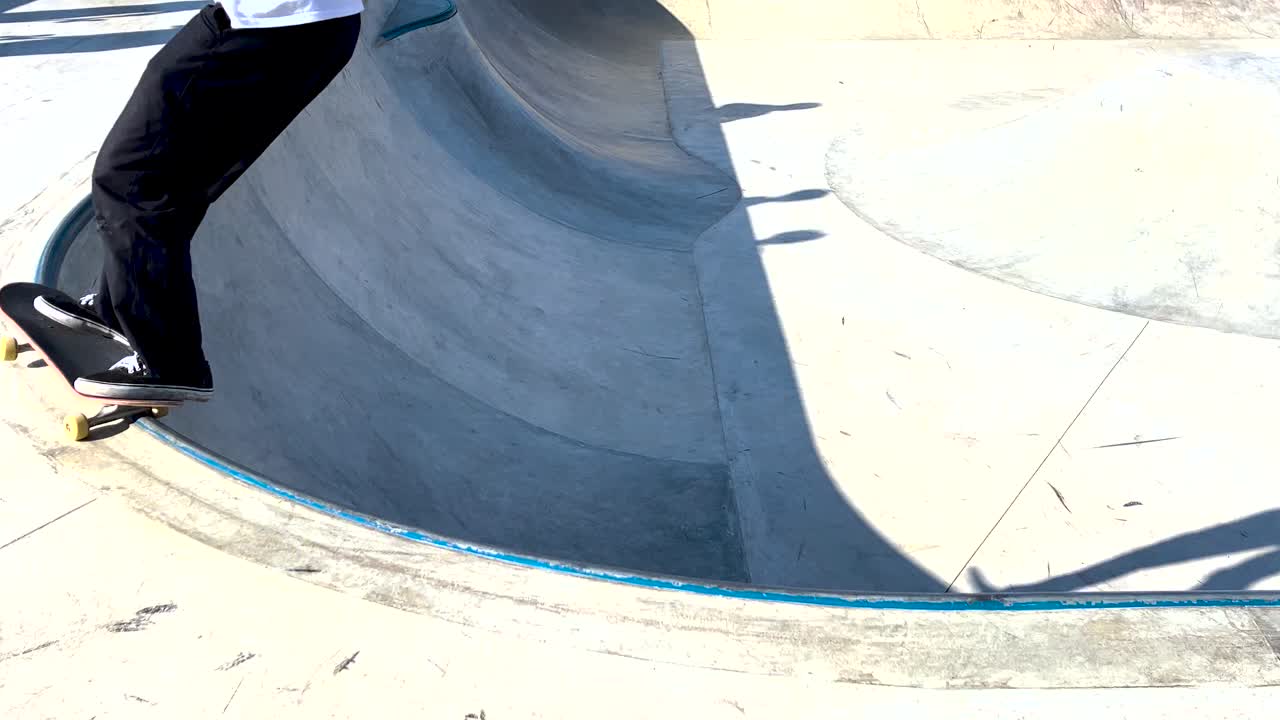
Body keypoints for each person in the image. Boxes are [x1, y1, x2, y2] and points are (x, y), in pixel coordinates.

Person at [35, 0, 363, 402]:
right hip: (311, 29)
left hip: (270, 26)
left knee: (130, 177)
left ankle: (168, 360)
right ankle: (122, 306)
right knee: (175, 176)